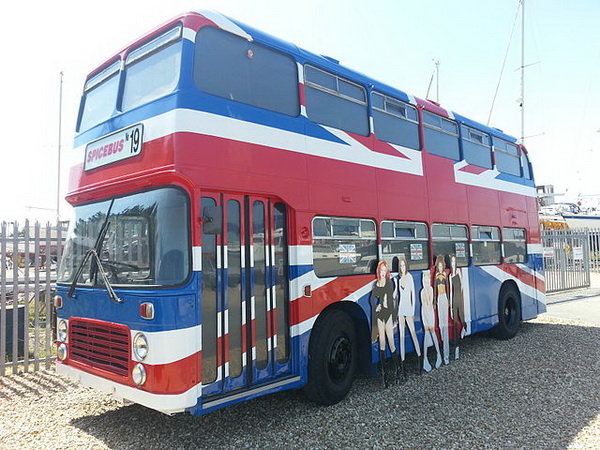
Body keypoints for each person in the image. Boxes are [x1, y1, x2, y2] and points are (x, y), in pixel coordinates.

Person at [370, 260, 399, 387]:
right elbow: (372, 299)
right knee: (382, 343)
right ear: (378, 271)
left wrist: (395, 283)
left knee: (391, 343)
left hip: (388, 314)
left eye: (384, 270)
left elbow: (392, 298)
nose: (382, 272)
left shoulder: (389, 283)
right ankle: (384, 375)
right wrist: (375, 306)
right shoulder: (376, 284)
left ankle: (397, 371)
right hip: (380, 315)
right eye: (381, 270)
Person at [397, 256, 421, 376]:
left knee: (413, 333)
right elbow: (397, 296)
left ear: (406, 266)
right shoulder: (399, 279)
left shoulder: (409, 277)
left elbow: (413, 295)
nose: (402, 267)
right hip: (401, 309)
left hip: (408, 309)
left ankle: (420, 360)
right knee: (401, 336)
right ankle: (403, 365)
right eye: (400, 266)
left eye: (403, 265)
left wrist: (412, 311)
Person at [421, 270, 442, 372]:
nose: (427, 283)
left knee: (433, 333)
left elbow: (430, 304)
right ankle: (425, 359)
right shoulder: (422, 292)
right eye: (425, 281)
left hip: (430, 314)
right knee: (427, 334)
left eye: (428, 281)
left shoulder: (430, 289)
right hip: (425, 314)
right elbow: (424, 306)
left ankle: (439, 355)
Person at [449, 254, 467, 360]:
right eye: (451, 261)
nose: (453, 263)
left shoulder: (458, 272)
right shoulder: (450, 275)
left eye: (454, 261)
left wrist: (460, 295)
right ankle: (456, 349)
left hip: (459, 298)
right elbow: (451, 291)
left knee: (462, 317)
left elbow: (462, 285)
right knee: (455, 324)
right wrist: (451, 306)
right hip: (454, 300)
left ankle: (464, 328)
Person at [434, 255, 450, 365]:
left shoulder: (444, 274)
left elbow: (447, 287)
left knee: (445, 323)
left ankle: (446, 353)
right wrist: (434, 301)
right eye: (438, 266)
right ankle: (443, 338)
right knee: (440, 323)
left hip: (444, 297)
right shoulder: (436, 276)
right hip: (439, 298)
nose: (440, 268)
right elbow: (435, 288)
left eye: (441, 266)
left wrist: (448, 299)